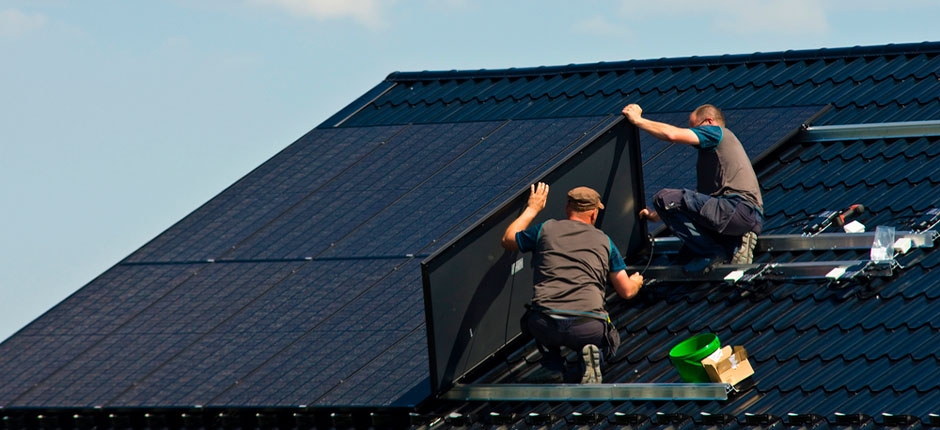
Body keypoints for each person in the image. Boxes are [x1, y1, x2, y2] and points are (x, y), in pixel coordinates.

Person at [501, 182, 644, 384]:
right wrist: (636, 281)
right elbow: (626, 291)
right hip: (588, 327)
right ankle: (594, 359)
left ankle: (553, 364)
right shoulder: (605, 241)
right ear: (594, 214)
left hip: (545, 324)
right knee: (610, 337)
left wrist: (532, 208)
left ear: (567, 208)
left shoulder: (546, 229)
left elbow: (508, 239)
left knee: (533, 316)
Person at [621, 103, 764, 269]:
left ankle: (713, 251)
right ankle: (736, 241)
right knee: (684, 259)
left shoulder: (718, 133)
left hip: (736, 209)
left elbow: (672, 135)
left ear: (709, 122)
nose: (695, 134)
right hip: (745, 217)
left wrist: (638, 120)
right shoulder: (717, 158)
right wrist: (659, 214)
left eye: (696, 128)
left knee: (664, 197)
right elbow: (698, 203)